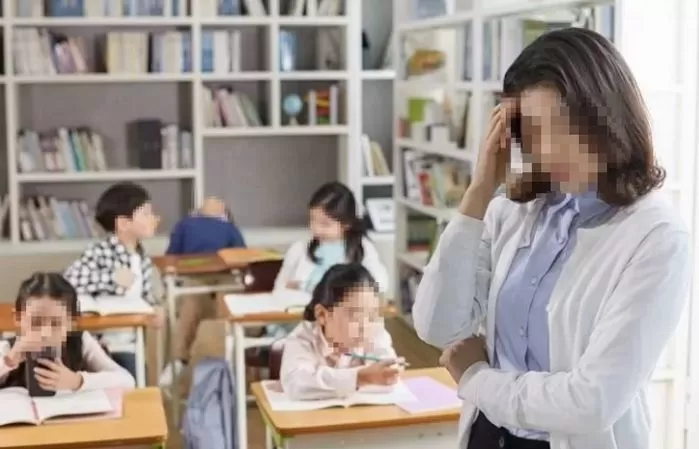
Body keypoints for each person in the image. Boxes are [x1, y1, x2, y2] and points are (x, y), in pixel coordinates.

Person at [412, 28, 691, 449]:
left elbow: (591, 401)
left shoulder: (656, 237)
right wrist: (479, 192)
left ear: (605, 115)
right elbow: (438, 325)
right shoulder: (513, 211)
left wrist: (477, 378)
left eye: (559, 126)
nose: (546, 150)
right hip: (487, 437)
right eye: (532, 133)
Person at [64, 182, 163, 380]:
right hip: (101, 347)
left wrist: (154, 308)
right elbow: (69, 279)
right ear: (124, 223)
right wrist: (111, 278)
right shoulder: (101, 252)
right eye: (146, 213)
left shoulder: (141, 257)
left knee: (139, 388)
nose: (154, 219)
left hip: (132, 342)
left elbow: (142, 297)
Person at [268, 181, 389, 338]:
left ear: (346, 224)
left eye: (325, 224)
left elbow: (380, 283)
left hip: (347, 327)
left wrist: (350, 290)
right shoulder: (299, 249)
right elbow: (279, 290)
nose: (316, 229)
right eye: (312, 220)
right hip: (302, 324)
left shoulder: (362, 249)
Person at [159, 196, 246, 387]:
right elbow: (171, 257)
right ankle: (179, 359)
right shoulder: (185, 225)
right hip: (195, 279)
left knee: (228, 300)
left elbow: (242, 257)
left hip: (225, 279)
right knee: (192, 301)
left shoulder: (229, 228)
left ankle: (230, 359)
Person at [280, 263, 400, 400]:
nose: (364, 326)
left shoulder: (375, 331)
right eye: (356, 316)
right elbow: (297, 384)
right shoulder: (302, 338)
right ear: (322, 315)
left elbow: (389, 379)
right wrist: (360, 377)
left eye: (372, 316)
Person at [0, 272, 135, 391]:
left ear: (72, 322)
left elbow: (127, 381)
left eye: (56, 323)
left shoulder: (81, 342)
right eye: (35, 322)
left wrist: (77, 381)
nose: (45, 333)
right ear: (18, 318)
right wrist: (8, 362)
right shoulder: (8, 349)